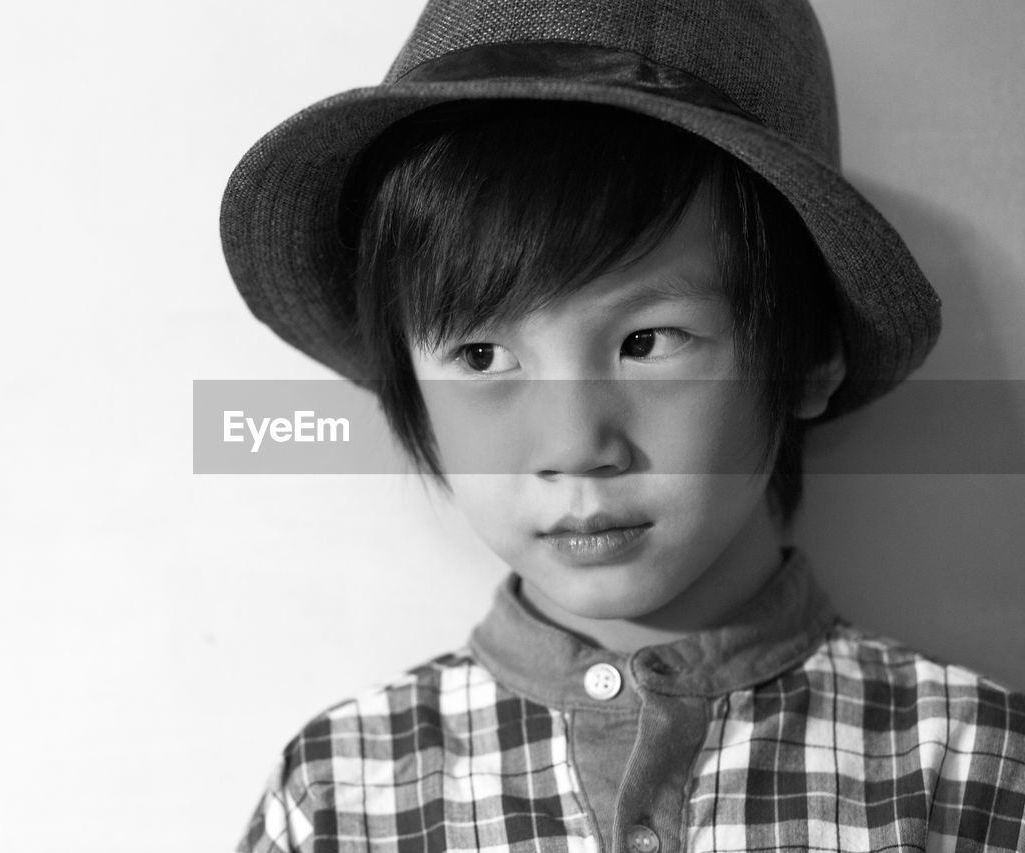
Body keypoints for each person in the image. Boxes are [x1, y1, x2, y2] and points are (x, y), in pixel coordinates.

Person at [219, 0, 1025, 850]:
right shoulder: (341, 793)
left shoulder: (965, 768)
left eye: (647, 342)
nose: (574, 447)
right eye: (483, 356)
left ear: (809, 355)